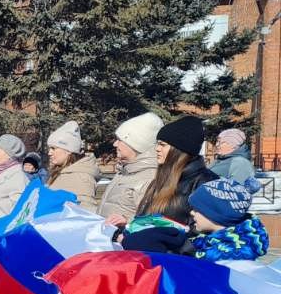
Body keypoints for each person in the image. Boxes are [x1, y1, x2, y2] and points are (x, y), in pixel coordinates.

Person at [121, 179, 268, 262]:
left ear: (215, 214)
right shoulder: (207, 239)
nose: (191, 213)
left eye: (197, 210)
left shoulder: (233, 251)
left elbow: (194, 266)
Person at [125, 115, 217, 231]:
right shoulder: (161, 178)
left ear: (179, 150)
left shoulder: (206, 183)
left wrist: (170, 239)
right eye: (157, 144)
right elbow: (144, 219)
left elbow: (203, 230)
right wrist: (127, 228)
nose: (157, 148)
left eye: (162, 145)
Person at [99, 112, 163, 225]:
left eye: (120, 140)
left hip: (123, 236)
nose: (115, 144)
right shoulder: (125, 171)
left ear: (135, 144)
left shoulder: (149, 178)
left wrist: (126, 222)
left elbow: (152, 222)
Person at [45, 121, 99, 212]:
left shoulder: (81, 177)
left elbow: (86, 211)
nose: (49, 153)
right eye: (49, 148)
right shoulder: (59, 172)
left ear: (68, 150)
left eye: (53, 148)